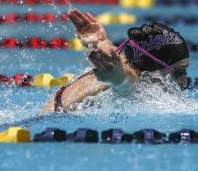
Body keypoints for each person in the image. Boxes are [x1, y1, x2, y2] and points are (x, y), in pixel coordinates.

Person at [42, 9, 189, 113]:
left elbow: (111, 51)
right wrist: (115, 76)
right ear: (153, 67)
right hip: (50, 121)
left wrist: (100, 41)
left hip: (54, 110)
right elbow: (123, 83)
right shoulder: (131, 77)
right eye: (179, 72)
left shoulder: (130, 62)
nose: (184, 82)